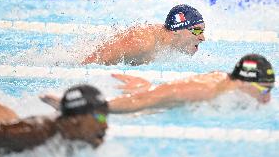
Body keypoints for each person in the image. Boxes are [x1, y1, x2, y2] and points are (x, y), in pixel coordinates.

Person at [42, 54, 275, 114]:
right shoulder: (204, 90)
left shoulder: (227, 82)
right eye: (264, 89)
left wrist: (148, 86)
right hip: (151, 109)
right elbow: (146, 102)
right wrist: (86, 106)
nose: (268, 98)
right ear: (244, 81)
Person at [0, 84, 108, 154]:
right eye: (100, 117)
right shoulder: (33, 133)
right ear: (75, 119)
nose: (105, 126)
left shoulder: (77, 135)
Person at [82, 4, 205, 66]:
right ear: (177, 30)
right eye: (197, 30)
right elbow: (88, 64)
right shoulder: (142, 42)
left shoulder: (168, 46)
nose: (202, 38)